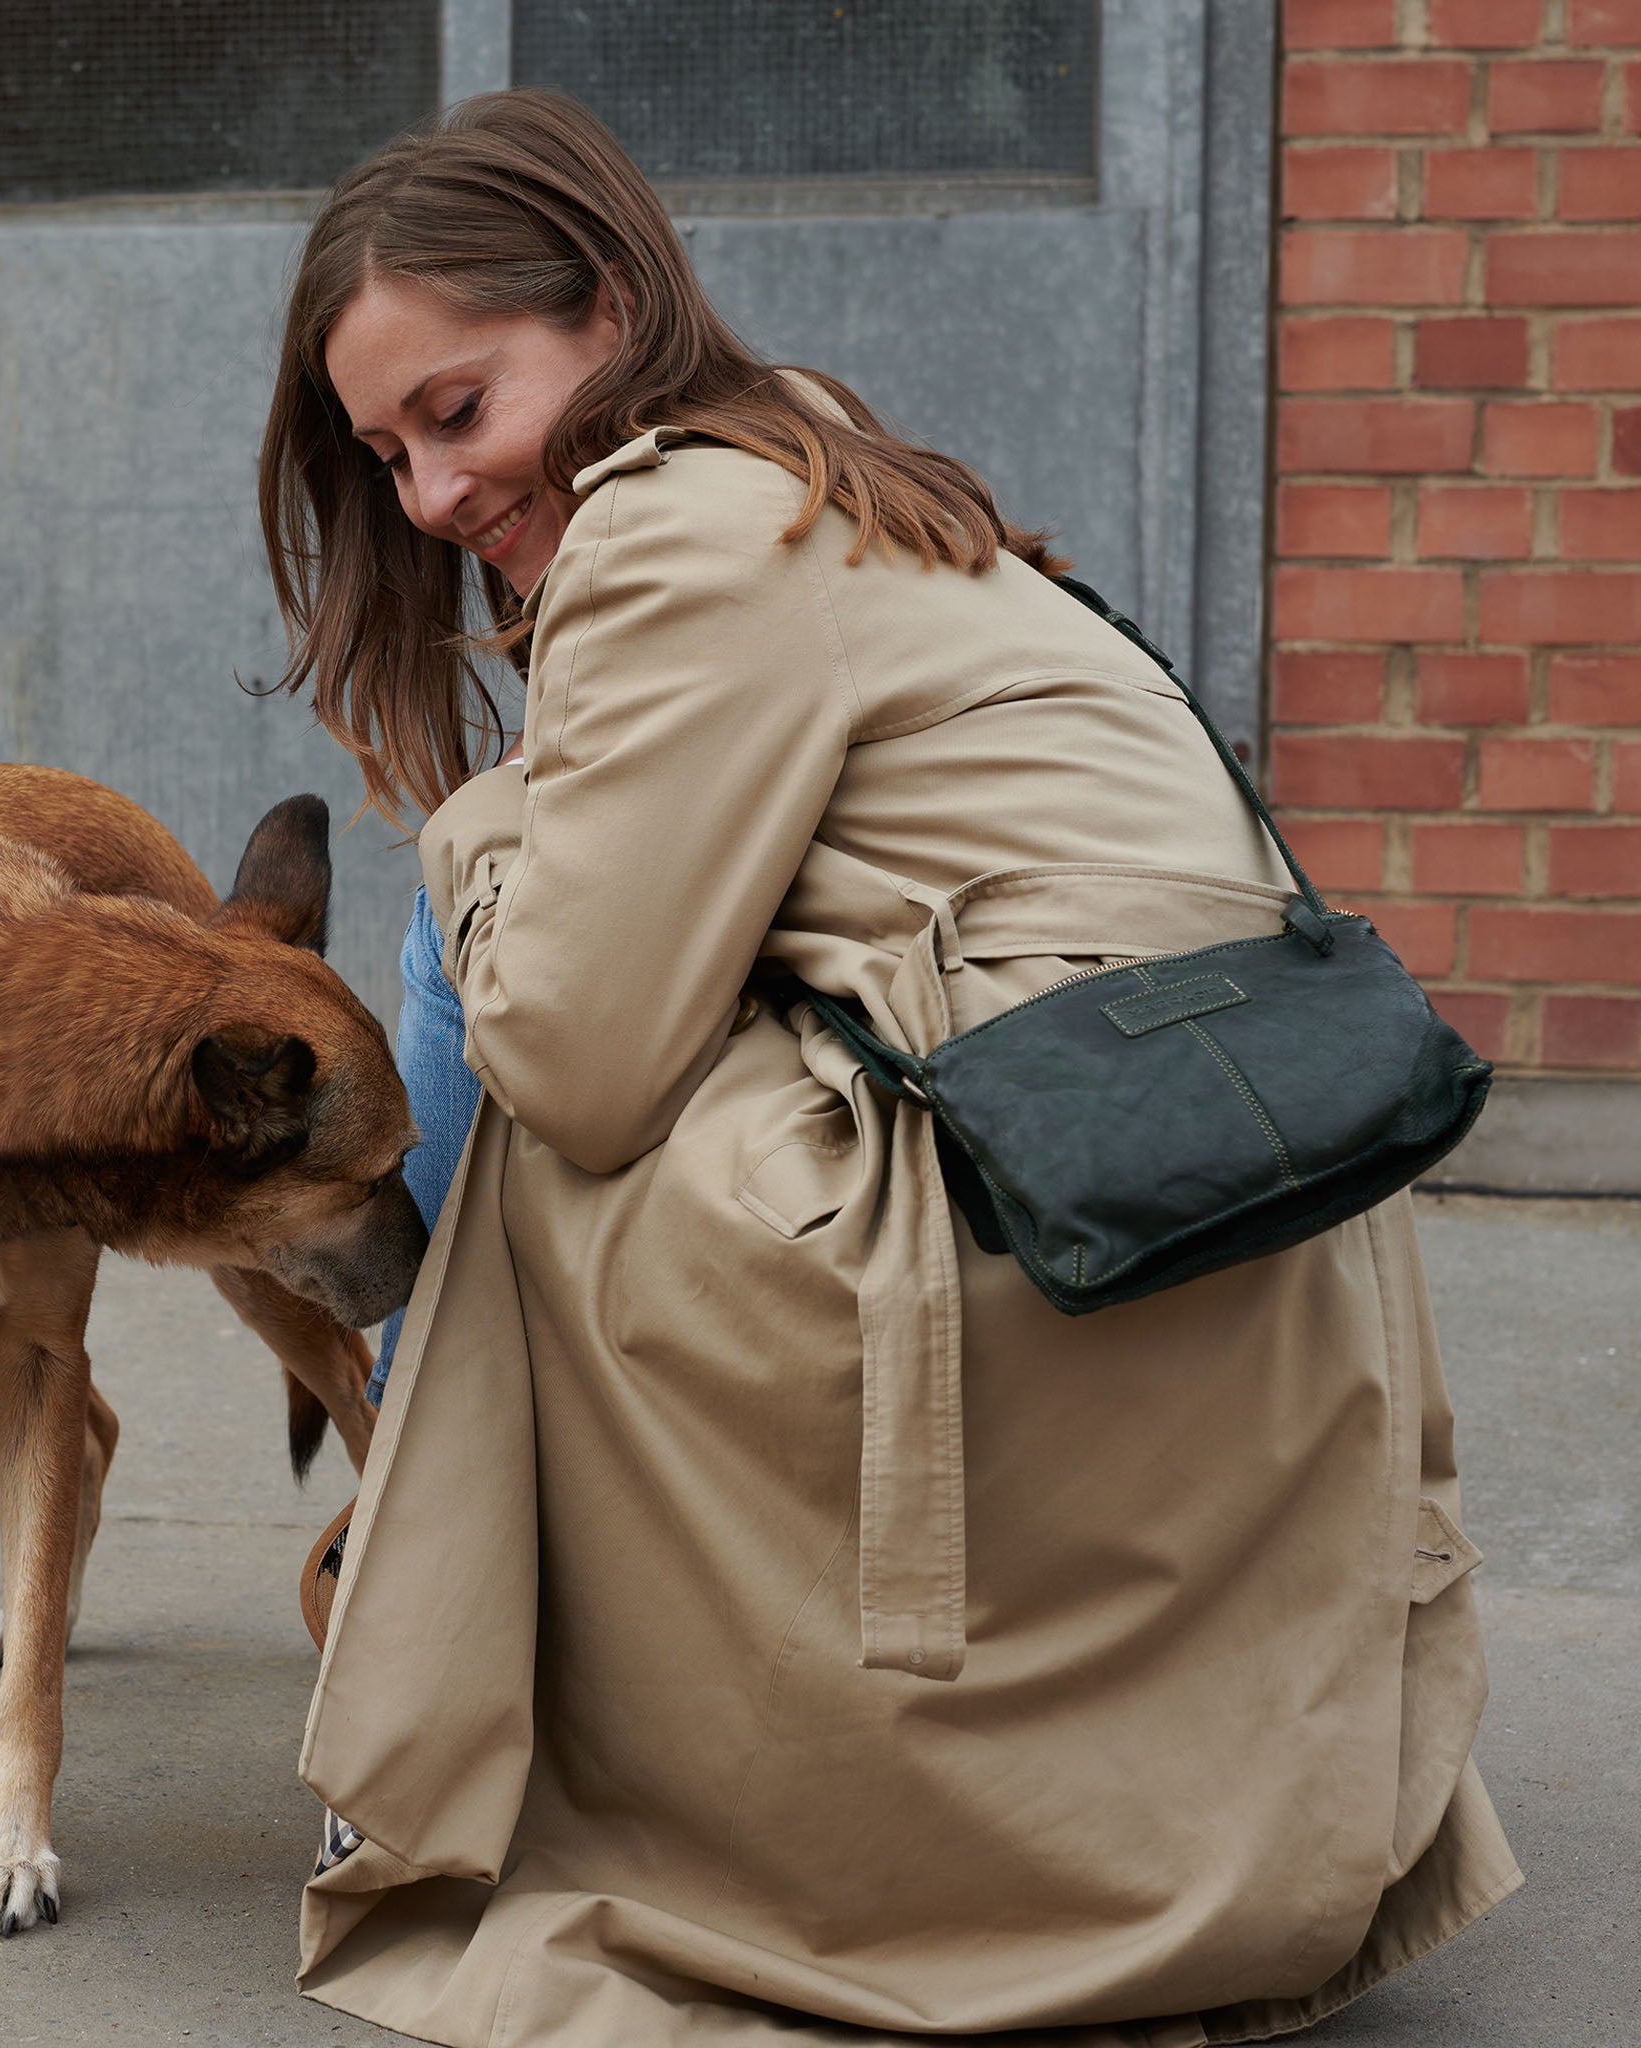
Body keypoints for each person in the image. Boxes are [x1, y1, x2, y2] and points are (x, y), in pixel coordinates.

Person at [259, 88, 1519, 2048]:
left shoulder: (678, 526)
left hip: (1025, 1212)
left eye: (456, 406)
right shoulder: (819, 450)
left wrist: (473, 822)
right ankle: (411, 1514)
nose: (426, 495)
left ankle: (415, 1570)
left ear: (602, 308)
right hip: (1200, 1152)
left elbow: (582, 1068)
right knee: (518, 904)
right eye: (383, 450)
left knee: (498, 977)